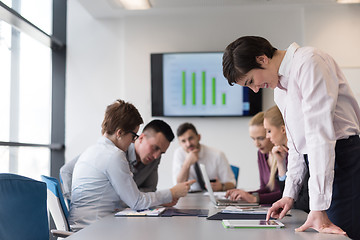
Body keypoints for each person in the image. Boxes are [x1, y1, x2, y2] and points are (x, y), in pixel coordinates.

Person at [223, 36, 360, 238]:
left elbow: (319, 135)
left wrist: (318, 206)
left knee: (338, 235)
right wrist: (289, 195)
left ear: (262, 59)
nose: (254, 89)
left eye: (251, 81)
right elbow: (297, 146)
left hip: (342, 158)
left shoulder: (309, 61)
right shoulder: (280, 90)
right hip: (318, 161)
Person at [69, 100, 195, 230]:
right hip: (95, 230)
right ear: (119, 133)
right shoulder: (114, 155)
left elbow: (127, 198)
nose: (133, 140)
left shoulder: (91, 150)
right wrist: (172, 192)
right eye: (133, 135)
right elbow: (137, 202)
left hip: (84, 228)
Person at [60, 119, 176, 201]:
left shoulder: (154, 158)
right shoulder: (113, 152)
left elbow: (150, 189)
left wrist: (129, 196)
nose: (156, 156)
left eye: (161, 152)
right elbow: (66, 171)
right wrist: (75, 202)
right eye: (155, 148)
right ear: (141, 138)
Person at [225, 111, 285, 204]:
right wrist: (245, 194)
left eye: (261, 138)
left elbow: (285, 194)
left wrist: (255, 198)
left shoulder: (284, 154)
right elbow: (265, 189)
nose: (256, 144)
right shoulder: (262, 154)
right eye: (253, 139)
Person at [264, 106, 310, 213]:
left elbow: (304, 202)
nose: (267, 136)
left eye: (269, 131)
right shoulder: (285, 153)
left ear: (283, 129)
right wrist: (281, 164)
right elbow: (286, 196)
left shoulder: (304, 153)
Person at [173, 122, 236, 192]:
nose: (188, 144)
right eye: (183, 141)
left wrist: (222, 186)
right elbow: (178, 185)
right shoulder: (179, 153)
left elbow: (232, 183)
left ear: (198, 137)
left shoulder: (217, 154)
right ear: (180, 143)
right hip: (189, 196)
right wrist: (187, 164)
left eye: (191, 138)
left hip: (212, 195)